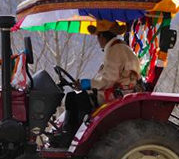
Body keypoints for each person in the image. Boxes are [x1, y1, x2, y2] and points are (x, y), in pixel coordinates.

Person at [49, 20, 141, 148]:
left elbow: (108, 81)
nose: (98, 41)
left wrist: (86, 84)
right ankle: (71, 134)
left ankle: (69, 137)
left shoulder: (114, 50)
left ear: (101, 36)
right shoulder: (122, 47)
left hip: (116, 95)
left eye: (98, 37)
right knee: (79, 97)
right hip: (122, 91)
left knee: (72, 98)